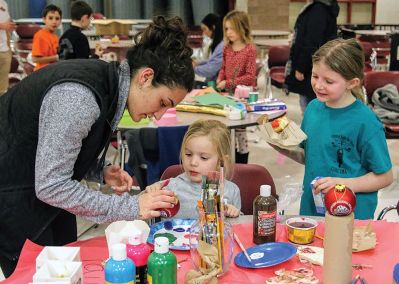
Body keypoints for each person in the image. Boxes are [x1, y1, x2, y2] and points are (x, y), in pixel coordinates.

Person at [0, 16, 194, 277]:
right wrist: (132, 207)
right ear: (146, 77)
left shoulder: (108, 84)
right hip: (13, 196)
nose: (159, 116)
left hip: (42, 199)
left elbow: (53, 148)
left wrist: (97, 170)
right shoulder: (80, 97)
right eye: (163, 102)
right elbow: (51, 184)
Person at [272, 38, 393, 220]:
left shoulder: (366, 123)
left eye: (328, 81)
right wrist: (282, 146)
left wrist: (343, 183)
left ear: (352, 83)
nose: (319, 85)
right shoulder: (313, 108)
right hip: (313, 211)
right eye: (315, 76)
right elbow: (312, 157)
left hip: (350, 215)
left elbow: (385, 177)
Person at [149, 120, 241, 219]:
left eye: (204, 157)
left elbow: (240, 225)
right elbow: (141, 210)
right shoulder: (170, 187)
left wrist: (234, 213)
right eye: (188, 154)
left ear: (221, 161)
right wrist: (150, 193)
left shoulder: (231, 190)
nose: (193, 162)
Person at [285, 0, 339, 113]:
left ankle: (310, 130)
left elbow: (311, 43)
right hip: (319, 65)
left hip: (312, 68)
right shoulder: (323, 7)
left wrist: (301, 68)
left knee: (310, 107)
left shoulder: (318, 10)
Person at [217, 10, 257, 164]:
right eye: (226, 29)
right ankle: (227, 163)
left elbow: (250, 76)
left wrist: (228, 82)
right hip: (226, 95)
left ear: (242, 28)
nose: (228, 32)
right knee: (225, 130)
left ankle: (241, 165)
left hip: (242, 97)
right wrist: (220, 78)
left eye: (232, 29)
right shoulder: (227, 48)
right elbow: (223, 68)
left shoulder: (250, 49)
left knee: (240, 131)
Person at [193, 13, 224, 85]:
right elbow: (213, 61)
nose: (204, 33)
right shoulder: (218, 44)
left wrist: (192, 68)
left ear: (213, 27)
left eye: (204, 29)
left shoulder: (222, 46)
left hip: (217, 85)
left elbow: (211, 69)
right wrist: (198, 63)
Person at [31, 4, 62, 71]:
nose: (54, 22)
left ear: (60, 21)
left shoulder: (56, 37)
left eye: (57, 19)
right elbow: (35, 59)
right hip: (42, 73)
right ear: (44, 19)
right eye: (50, 18)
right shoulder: (40, 35)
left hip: (53, 71)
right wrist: (56, 57)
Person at [0, 0, 16, 95]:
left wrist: (10, 25)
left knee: (3, 87)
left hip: (5, 50)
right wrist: (2, 26)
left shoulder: (4, 4)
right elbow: (3, 25)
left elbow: (7, 23)